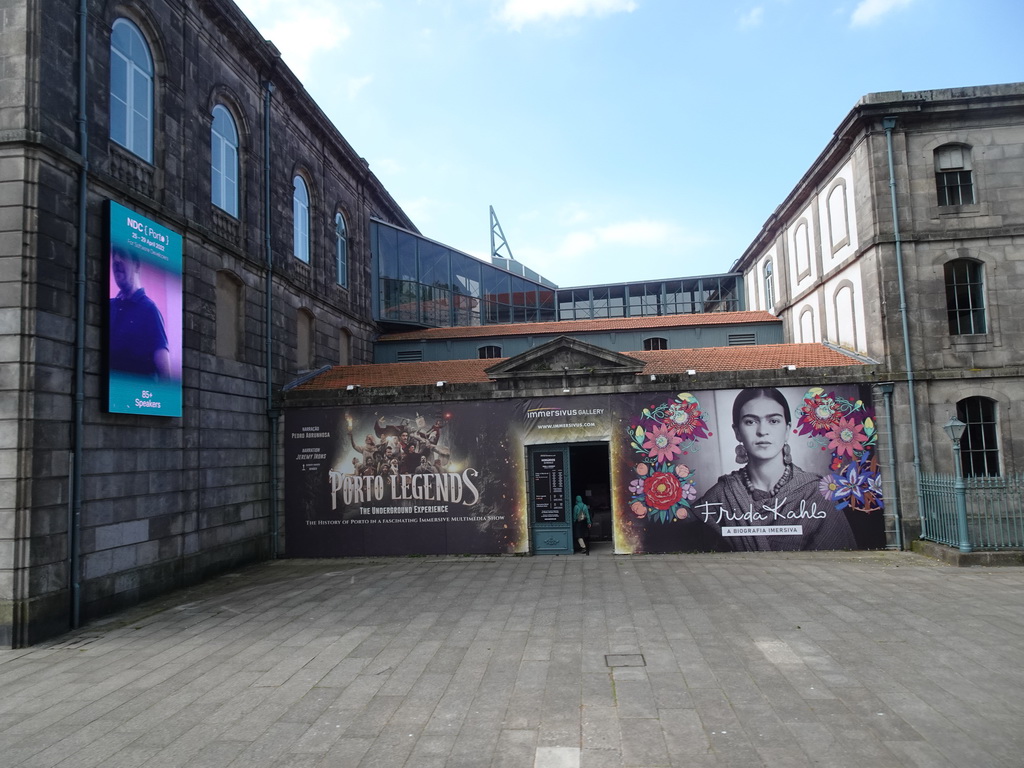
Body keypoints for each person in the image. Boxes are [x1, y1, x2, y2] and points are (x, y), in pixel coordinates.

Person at [692, 387, 856, 551]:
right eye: (750, 422)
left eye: (773, 421)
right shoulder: (720, 497)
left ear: (787, 430)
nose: (762, 431)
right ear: (737, 432)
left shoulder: (817, 495)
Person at [109, 247, 171, 379]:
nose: (116, 259)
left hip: (135, 397)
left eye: (122, 254)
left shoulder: (149, 309)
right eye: (113, 255)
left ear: (136, 265)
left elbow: (165, 373)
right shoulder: (109, 306)